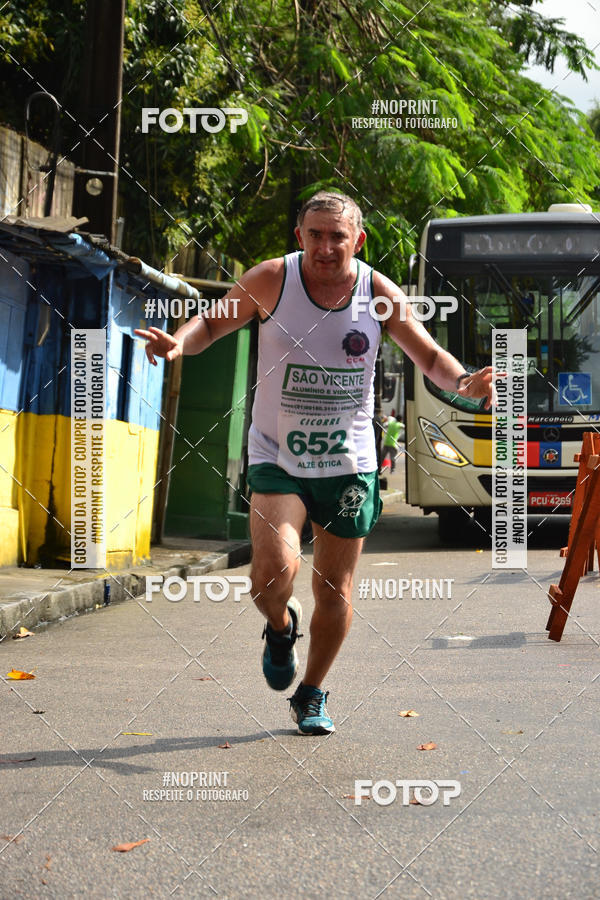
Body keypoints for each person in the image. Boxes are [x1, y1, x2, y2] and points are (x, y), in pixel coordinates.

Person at [134, 191, 493, 735]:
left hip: (349, 463)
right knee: (271, 574)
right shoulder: (271, 280)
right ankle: (280, 628)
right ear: (299, 235)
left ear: (358, 240)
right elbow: (210, 325)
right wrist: (180, 344)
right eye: (315, 234)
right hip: (278, 456)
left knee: (334, 590)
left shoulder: (378, 293)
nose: (325, 246)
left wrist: (465, 381)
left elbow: (428, 357)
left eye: (337, 236)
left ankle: (312, 692)